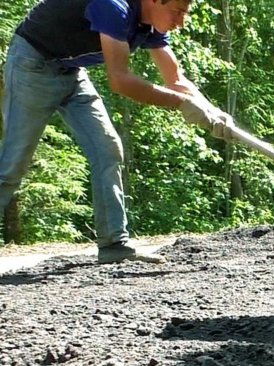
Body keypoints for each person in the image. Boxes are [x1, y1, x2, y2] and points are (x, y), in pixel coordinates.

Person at [0, 0, 234, 263]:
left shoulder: (151, 22)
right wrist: (181, 104)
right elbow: (120, 81)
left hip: (72, 72)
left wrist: (213, 112)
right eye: (178, 12)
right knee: (12, 166)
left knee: (108, 148)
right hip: (32, 65)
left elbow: (176, 79)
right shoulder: (112, 6)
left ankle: (114, 245)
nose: (181, 22)